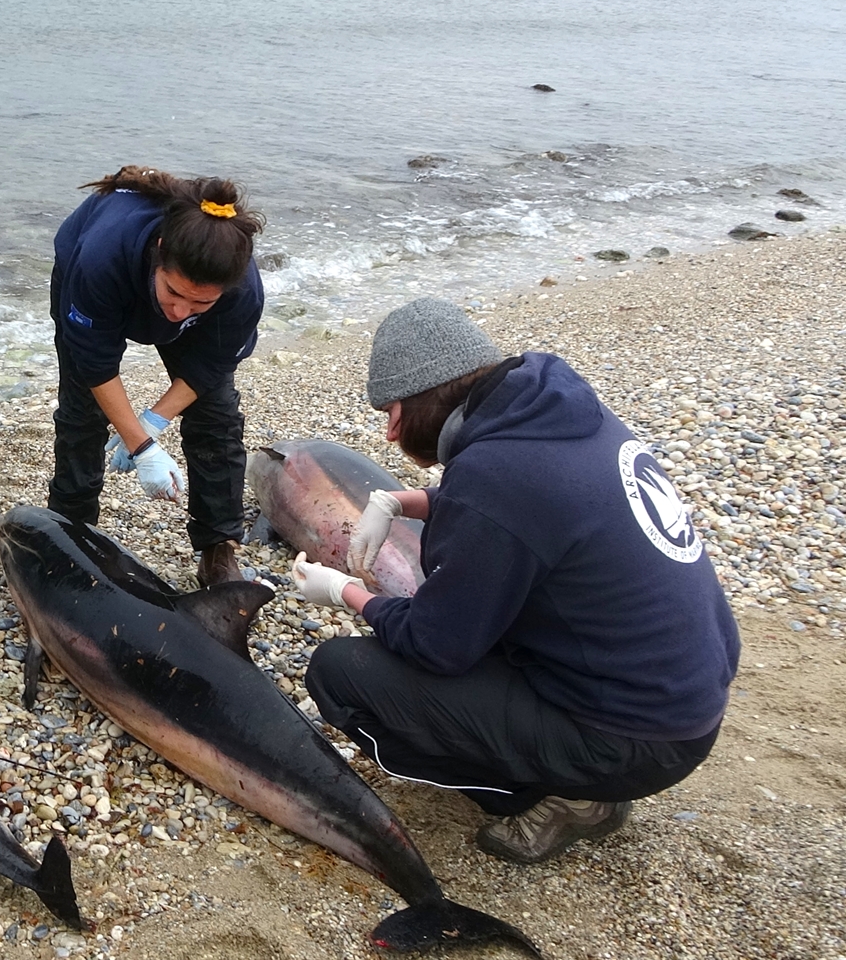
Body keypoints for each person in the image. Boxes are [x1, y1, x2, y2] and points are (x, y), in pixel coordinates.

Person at [290, 297, 741, 865]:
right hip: (681, 697)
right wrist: (406, 501)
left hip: (634, 739)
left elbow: (434, 646)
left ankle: (562, 796)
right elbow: (533, 506)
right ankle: (575, 768)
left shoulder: (495, 475)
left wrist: (345, 593)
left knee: (340, 672)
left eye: (393, 412)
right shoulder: (557, 410)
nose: (389, 433)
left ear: (416, 404)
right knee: (475, 611)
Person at [47, 166, 265, 587]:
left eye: (200, 303)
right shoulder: (102, 256)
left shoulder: (241, 291)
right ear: (160, 251)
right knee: (82, 414)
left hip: (175, 294)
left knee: (217, 416)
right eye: (174, 292)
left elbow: (210, 365)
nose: (180, 312)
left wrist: (152, 422)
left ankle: (218, 549)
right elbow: (94, 362)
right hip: (96, 276)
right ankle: (71, 534)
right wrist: (142, 446)